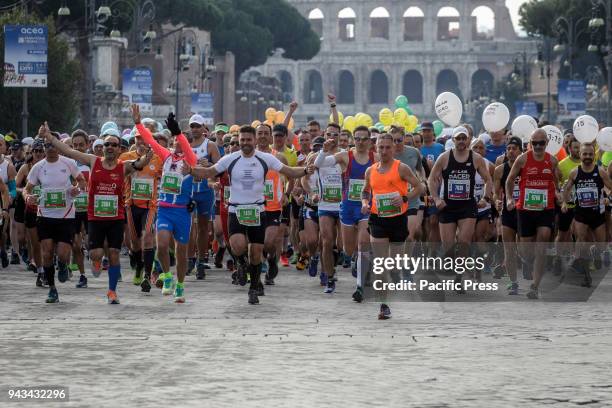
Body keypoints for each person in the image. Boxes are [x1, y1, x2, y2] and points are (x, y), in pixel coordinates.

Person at [189, 125, 315, 305]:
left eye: (249, 140)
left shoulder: (265, 158)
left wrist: (305, 170)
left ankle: (253, 288)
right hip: (236, 209)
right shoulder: (230, 158)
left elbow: (288, 171)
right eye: (242, 140)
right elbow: (209, 172)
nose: (245, 143)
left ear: (254, 141)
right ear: (239, 141)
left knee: (256, 253)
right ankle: (241, 263)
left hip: (257, 210)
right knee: (238, 246)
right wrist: (191, 170)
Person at [41, 120, 152, 304]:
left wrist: (149, 151)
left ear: (119, 149)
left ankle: (112, 292)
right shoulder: (94, 161)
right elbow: (68, 151)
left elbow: (141, 162)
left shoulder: (123, 166)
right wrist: (50, 137)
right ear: (101, 146)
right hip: (95, 218)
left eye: (114, 145)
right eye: (106, 144)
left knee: (115, 253)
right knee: (96, 254)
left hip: (116, 217)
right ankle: (96, 261)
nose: (109, 147)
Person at [132, 106, 196, 303]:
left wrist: (178, 132)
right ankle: (167, 276)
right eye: (175, 141)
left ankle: (181, 285)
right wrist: (138, 123)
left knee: (181, 252)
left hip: (182, 212)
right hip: (165, 209)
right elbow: (150, 140)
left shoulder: (191, 160)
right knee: (161, 245)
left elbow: (186, 147)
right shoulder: (167, 156)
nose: (177, 144)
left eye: (180, 142)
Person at [361, 134, 423, 319]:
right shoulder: (370, 171)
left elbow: (419, 187)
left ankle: (395, 274)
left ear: (394, 149)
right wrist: (364, 202)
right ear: (376, 149)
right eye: (381, 147)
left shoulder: (401, 168)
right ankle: (384, 305)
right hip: (377, 219)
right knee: (381, 265)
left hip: (397, 220)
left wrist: (404, 198)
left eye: (388, 147)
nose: (385, 151)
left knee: (393, 264)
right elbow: (365, 191)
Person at [25, 127, 87, 303]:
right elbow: (27, 189)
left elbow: (81, 181)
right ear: (44, 148)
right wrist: (28, 197)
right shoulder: (38, 167)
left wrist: (77, 189)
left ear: (58, 147)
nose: (50, 148)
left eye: (53, 145)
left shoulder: (69, 163)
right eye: (47, 145)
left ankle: (63, 265)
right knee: (46, 252)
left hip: (66, 215)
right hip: (44, 215)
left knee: (62, 253)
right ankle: (52, 289)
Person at [428, 126, 492, 292]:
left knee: (463, 242)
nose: (462, 141)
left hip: (467, 207)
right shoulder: (444, 157)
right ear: (454, 140)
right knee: (448, 246)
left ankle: (458, 277)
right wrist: (436, 198)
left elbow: (488, 180)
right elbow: (431, 179)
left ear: (468, 140)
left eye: (464, 138)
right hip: (448, 206)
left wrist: (485, 198)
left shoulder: (476, 158)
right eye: (459, 138)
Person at [315, 125, 375, 297]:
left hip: (366, 207)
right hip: (347, 207)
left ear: (370, 141)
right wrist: (323, 151)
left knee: (363, 242)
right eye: (357, 138)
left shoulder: (375, 157)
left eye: (364, 139)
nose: (361, 142)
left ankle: (360, 287)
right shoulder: (344, 156)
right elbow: (319, 164)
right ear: (352, 140)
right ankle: (353, 260)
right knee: (346, 249)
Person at [505, 129, 560, 299]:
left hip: (545, 208)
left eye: (541, 143)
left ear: (547, 143)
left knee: (543, 238)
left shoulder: (552, 160)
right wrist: (508, 198)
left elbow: (557, 181)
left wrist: (558, 192)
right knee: (526, 251)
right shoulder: (522, 159)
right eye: (534, 143)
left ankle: (535, 286)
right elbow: (510, 180)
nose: (537, 146)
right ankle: (527, 261)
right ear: (530, 143)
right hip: (525, 209)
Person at [561, 143, 612, 286]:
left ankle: (592, 253)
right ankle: (586, 276)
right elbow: (566, 189)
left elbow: (610, 187)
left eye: (590, 154)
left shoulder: (600, 171)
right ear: (581, 155)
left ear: (594, 156)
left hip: (597, 214)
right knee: (582, 242)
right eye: (585, 154)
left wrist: (608, 198)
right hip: (581, 214)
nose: (588, 157)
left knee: (601, 246)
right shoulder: (574, 172)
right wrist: (565, 203)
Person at [120, 126, 163, 292]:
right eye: (138, 138)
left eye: (144, 139)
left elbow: (165, 177)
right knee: (134, 243)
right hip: (131, 205)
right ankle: (138, 266)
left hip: (149, 206)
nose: (141, 142)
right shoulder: (126, 157)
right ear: (134, 140)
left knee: (147, 237)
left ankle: (146, 274)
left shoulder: (157, 159)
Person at [188, 114, 221, 279]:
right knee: (188, 227)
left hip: (205, 192)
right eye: (192, 126)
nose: (195, 129)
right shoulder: (185, 144)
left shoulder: (210, 145)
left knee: (202, 228)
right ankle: (189, 259)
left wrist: (210, 165)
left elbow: (220, 167)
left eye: (197, 126)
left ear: (203, 128)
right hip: (187, 191)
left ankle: (201, 260)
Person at [493, 136, 523, 294]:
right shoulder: (500, 170)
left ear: (521, 151)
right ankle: (514, 282)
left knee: (525, 250)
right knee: (509, 250)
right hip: (508, 213)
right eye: (508, 149)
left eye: (514, 148)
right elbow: (495, 193)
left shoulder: (527, 168)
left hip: (526, 213)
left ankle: (526, 262)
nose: (511, 151)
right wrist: (497, 201)